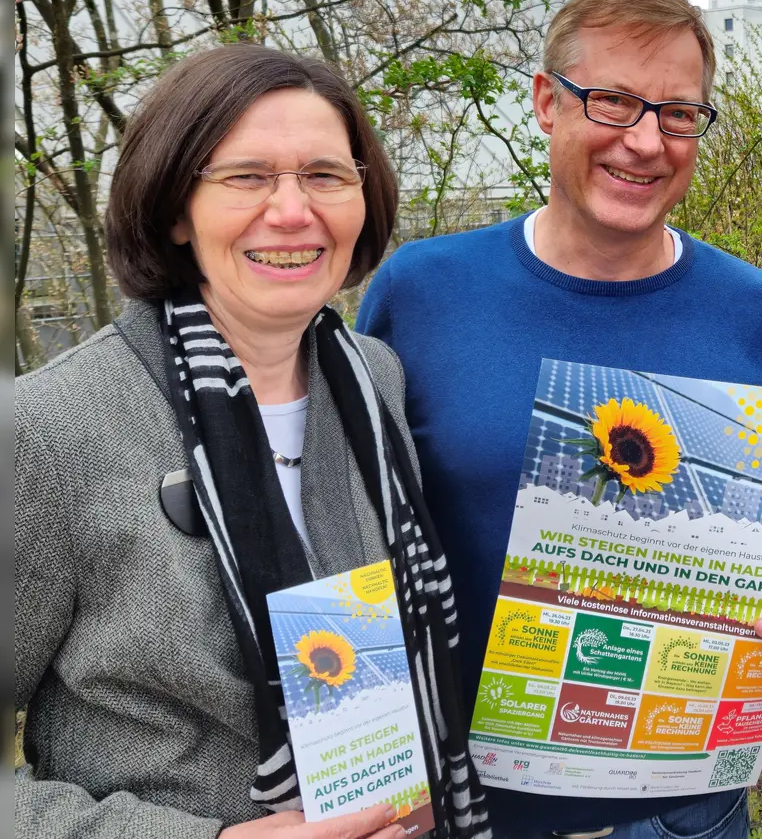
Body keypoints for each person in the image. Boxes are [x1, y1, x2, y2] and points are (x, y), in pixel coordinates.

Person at [356, 0, 762, 839]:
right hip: (464, 809)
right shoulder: (422, 292)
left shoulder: (760, 312)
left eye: (680, 114)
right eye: (614, 102)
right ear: (547, 102)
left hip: (686, 809)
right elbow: (356, 530)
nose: (647, 142)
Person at [16, 45, 488, 839]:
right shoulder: (53, 429)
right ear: (175, 208)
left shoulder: (374, 381)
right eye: (246, 177)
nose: (293, 211)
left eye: (326, 176)